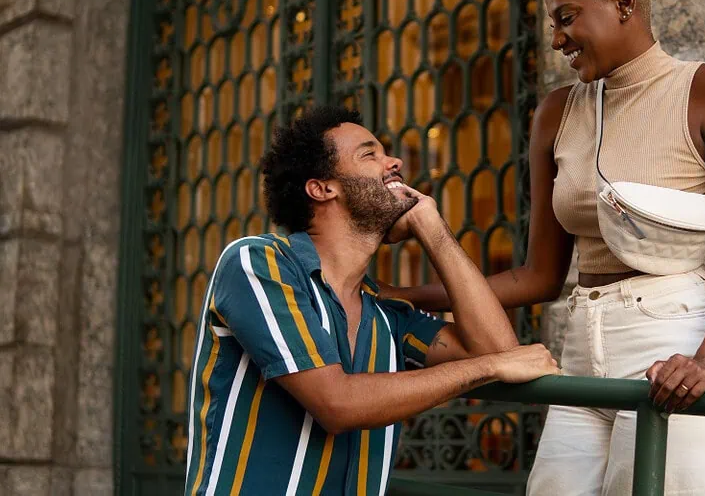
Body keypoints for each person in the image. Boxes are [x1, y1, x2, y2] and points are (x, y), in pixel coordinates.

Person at [385, 0, 705, 495]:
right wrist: (409, 297)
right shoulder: (557, 112)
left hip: (676, 341)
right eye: (552, 23)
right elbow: (540, 275)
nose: (558, 38)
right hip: (581, 346)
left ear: (624, 2)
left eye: (568, 18)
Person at [183, 106, 559, 496]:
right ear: (322, 188)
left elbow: (499, 349)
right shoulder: (258, 263)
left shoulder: (385, 314)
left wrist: (431, 227)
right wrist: (491, 367)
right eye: (370, 154)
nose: (394, 162)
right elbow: (336, 404)